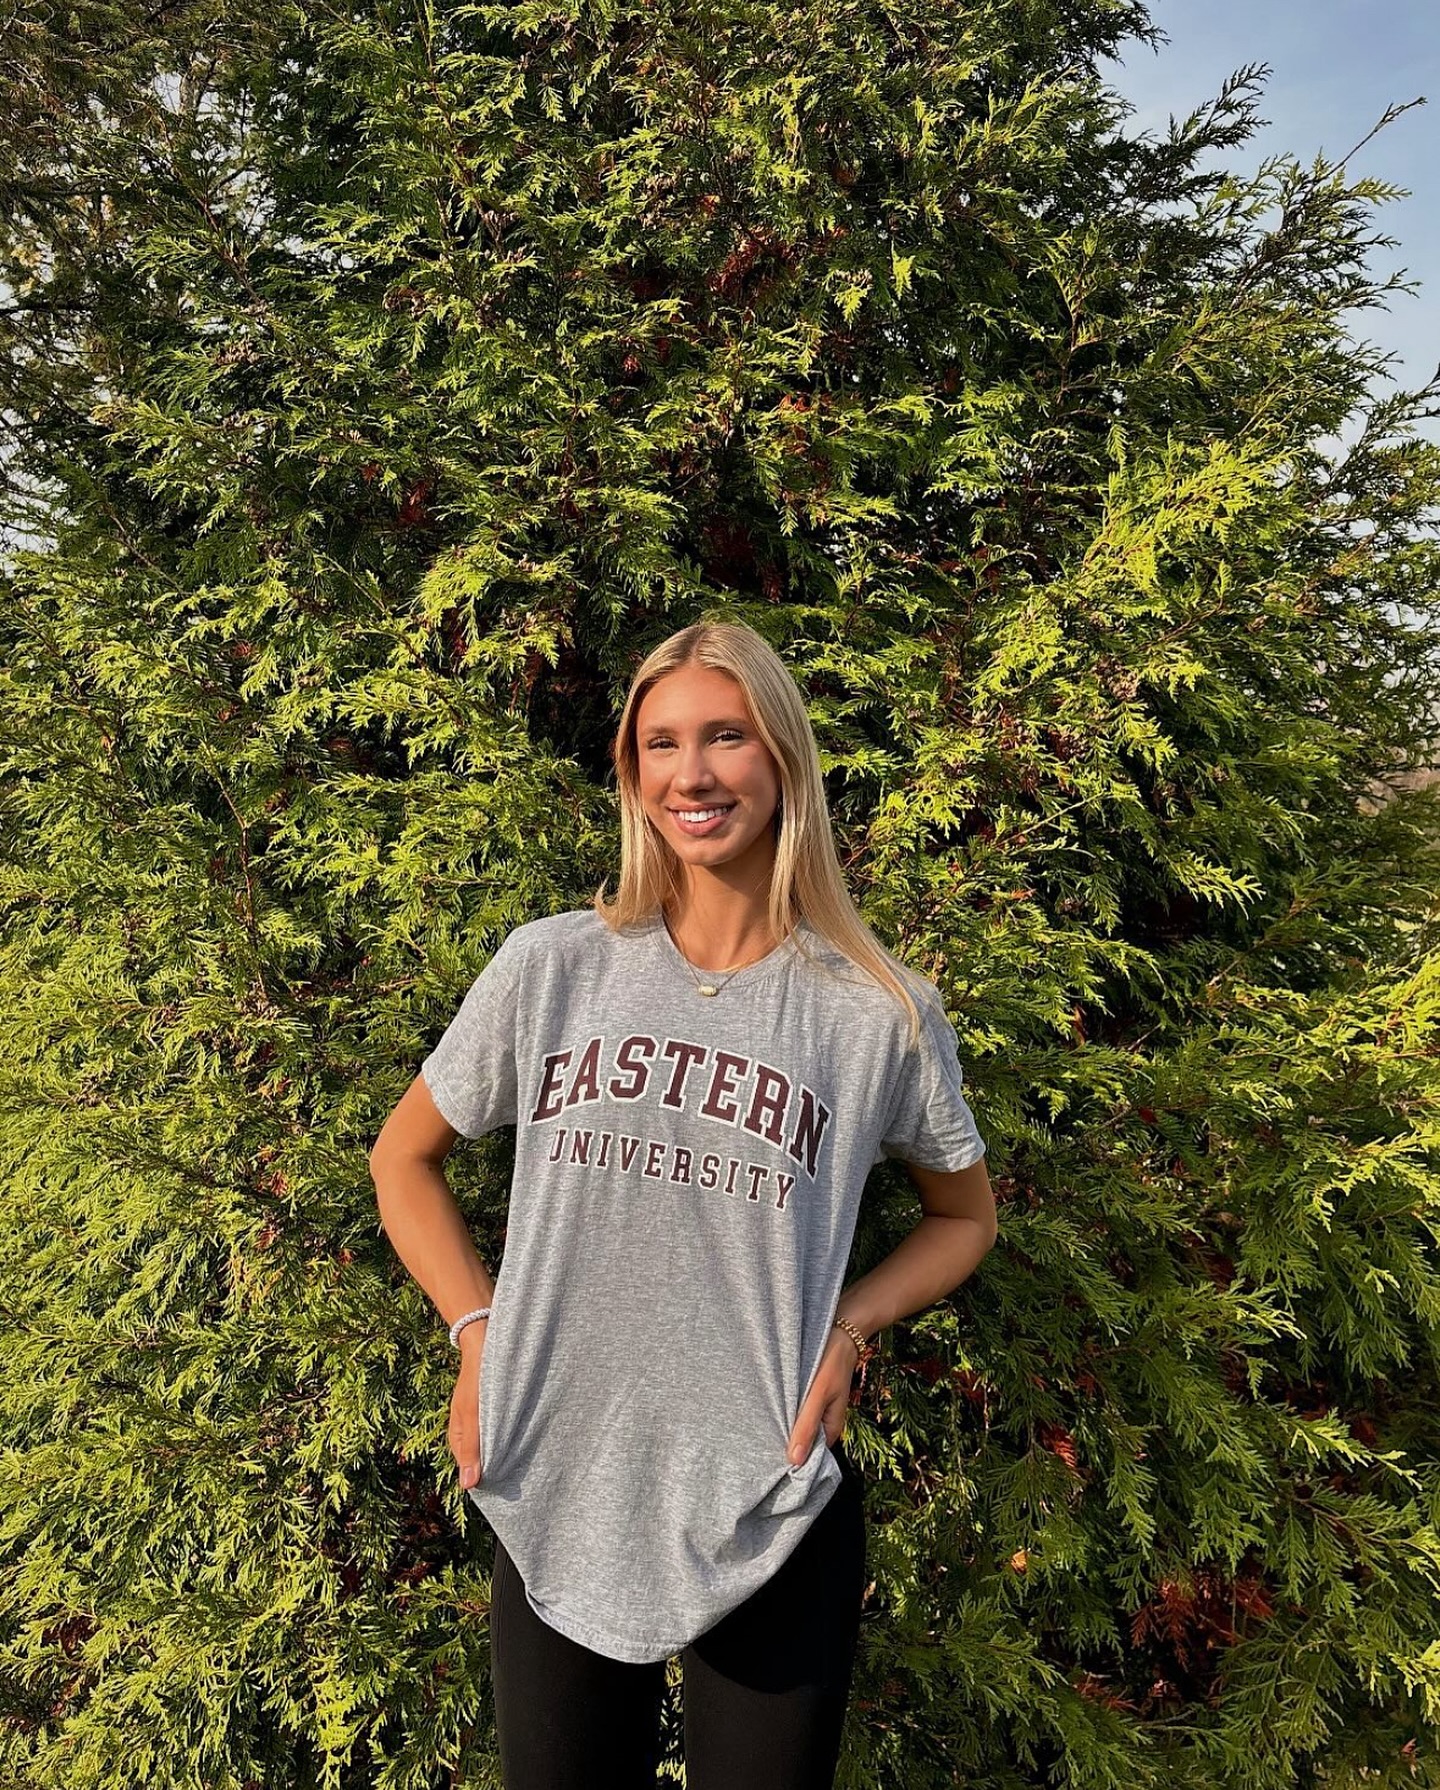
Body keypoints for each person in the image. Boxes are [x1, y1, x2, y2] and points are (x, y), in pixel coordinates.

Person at [368, 617, 998, 1790]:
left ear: (783, 757)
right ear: (632, 771)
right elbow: (402, 1158)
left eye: (725, 736)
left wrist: (852, 1323)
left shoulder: (878, 1012)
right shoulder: (554, 967)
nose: (692, 774)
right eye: (660, 744)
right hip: (559, 1476)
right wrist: (477, 1330)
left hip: (772, 1488)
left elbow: (967, 1216)